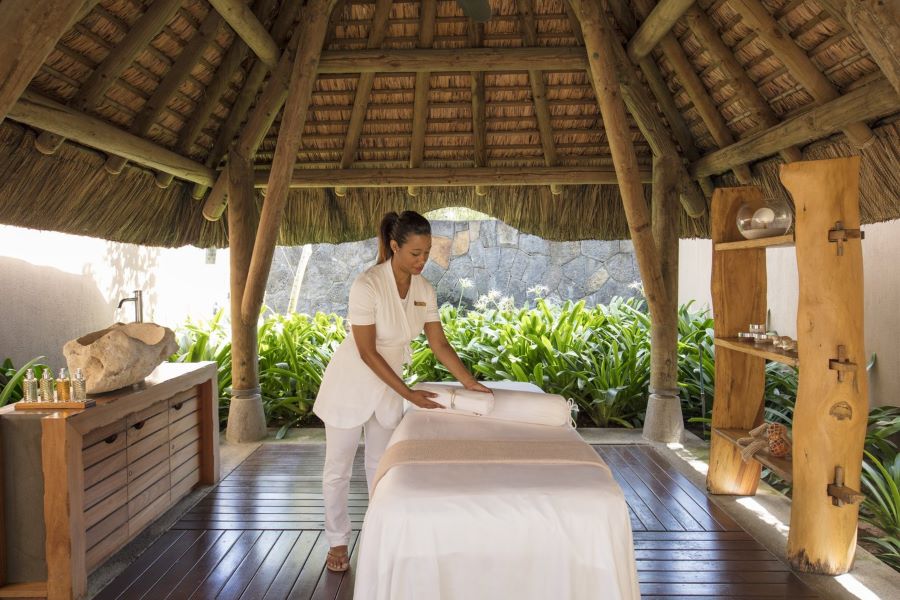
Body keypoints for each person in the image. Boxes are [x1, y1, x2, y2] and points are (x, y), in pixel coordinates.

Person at [312, 210, 490, 573]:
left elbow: (439, 344)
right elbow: (366, 351)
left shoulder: (425, 290)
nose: (422, 260)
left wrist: (470, 383)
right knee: (337, 469)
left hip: (389, 384)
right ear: (394, 246)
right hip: (353, 380)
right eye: (415, 253)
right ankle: (338, 540)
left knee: (382, 467)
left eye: (426, 252)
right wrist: (409, 394)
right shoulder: (367, 284)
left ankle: (381, 535)